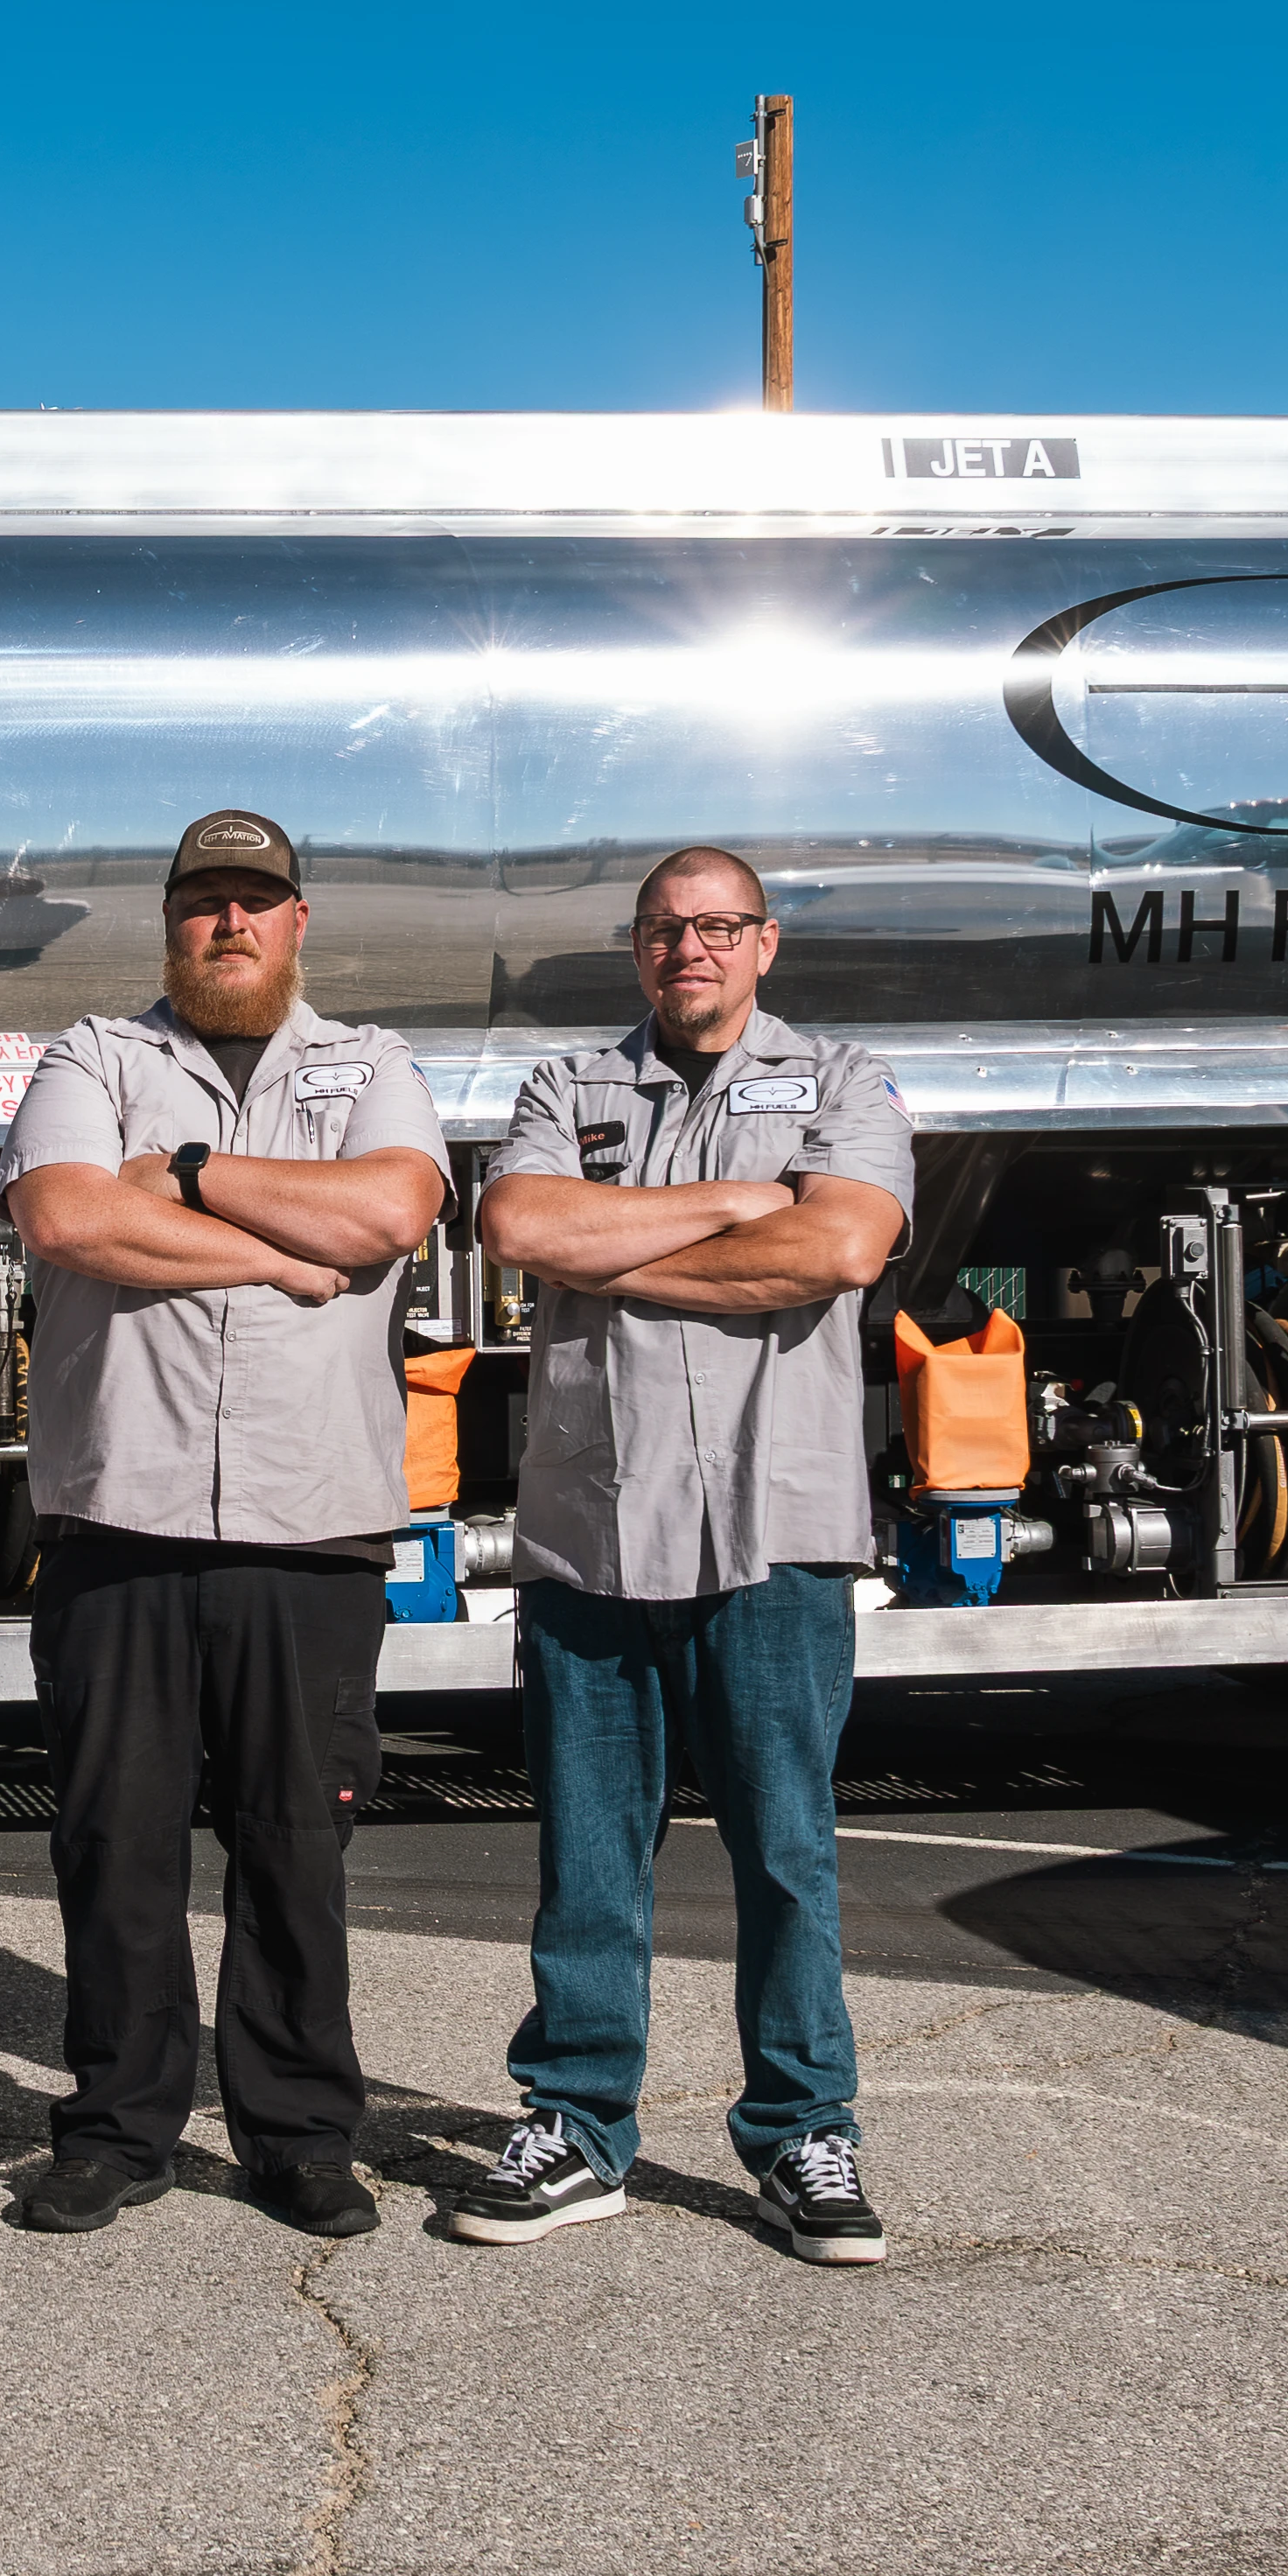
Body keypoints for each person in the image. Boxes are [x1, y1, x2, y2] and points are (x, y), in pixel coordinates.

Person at [440, 844, 914, 2264]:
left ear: (764, 943)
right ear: (636, 947)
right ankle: (577, 2125)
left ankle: (803, 2129)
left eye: (717, 927)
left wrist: (612, 1254)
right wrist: (735, 1206)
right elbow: (520, 1224)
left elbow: (837, 1252)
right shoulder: (565, 1090)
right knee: (589, 1854)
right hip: (593, 1530)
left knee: (786, 1848)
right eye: (664, 929)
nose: (689, 949)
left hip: (779, 1527)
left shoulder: (844, 1082)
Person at [0, 808, 448, 2237]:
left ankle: (299, 2131)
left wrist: (184, 1179)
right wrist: (282, 1253)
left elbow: (385, 1213)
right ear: (170, 921)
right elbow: (67, 1220)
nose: (229, 925)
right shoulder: (93, 1057)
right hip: (118, 1516)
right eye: (204, 903)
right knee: (117, 1845)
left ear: (297, 920)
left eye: (256, 901)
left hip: (308, 1532)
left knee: (296, 1843)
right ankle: (117, 2126)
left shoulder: (371, 1064)